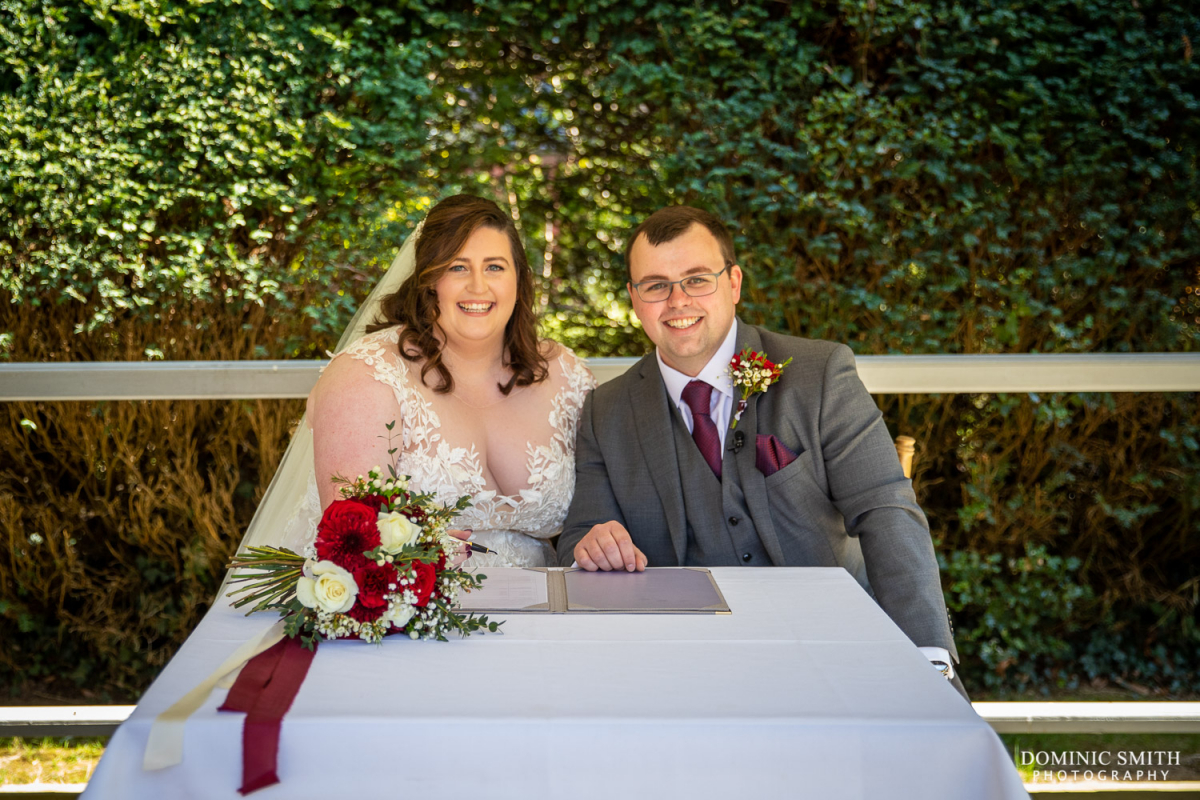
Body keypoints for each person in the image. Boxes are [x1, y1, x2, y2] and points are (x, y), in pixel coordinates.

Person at [557, 205, 965, 695]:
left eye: (696, 279)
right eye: (656, 285)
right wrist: (594, 543)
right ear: (634, 298)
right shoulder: (607, 409)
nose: (676, 300)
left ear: (733, 283)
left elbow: (886, 509)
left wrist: (928, 656)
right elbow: (582, 534)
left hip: (835, 649)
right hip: (682, 668)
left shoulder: (818, 374)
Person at [304, 194, 595, 568]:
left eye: (495, 267)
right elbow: (348, 537)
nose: (478, 286)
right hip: (410, 613)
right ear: (430, 281)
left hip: (547, 609)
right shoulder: (368, 376)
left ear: (519, 280)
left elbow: (606, 501)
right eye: (458, 267)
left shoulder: (563, 375)